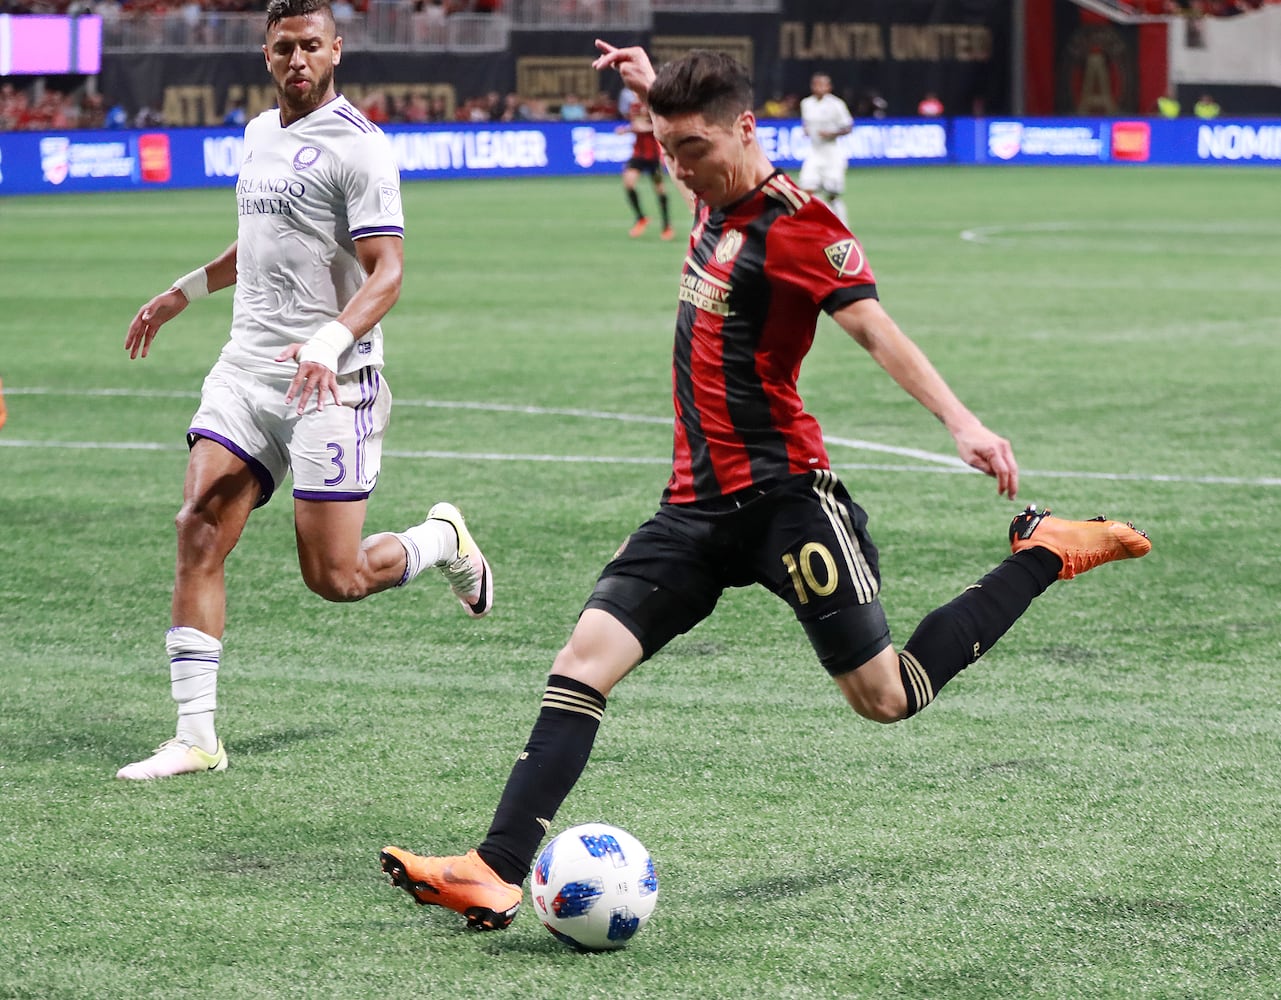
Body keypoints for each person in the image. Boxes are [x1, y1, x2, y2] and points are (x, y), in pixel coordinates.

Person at [379, 42, 1151, 932]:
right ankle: (494, 867)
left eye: (696, 150)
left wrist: (962, 423)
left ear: (746, 130)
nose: (682, 169)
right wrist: (647, 87)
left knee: (885, 695)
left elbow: (874, 329)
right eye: (669, 150)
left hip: (787, 500)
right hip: (693, 506)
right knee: (579, 666)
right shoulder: (707, 186)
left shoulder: (800, 227)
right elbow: (682, 133)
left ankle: (1044, 551)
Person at [116, 0, 494, 781]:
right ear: (265, 53)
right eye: (284, 47)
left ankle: (443, 541)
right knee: (196, 527)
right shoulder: (258, 135)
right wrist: (185, 290)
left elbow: (387, 272)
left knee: (336, 578)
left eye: (311, 46)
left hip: (334, 382)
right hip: (245, 371)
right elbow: (258, 242)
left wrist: (327, 341)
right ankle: (196, 738)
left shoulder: (360, 149)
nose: (298, 60)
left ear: (336, 50)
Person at [799, 72, 853, 226]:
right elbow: (806, 123)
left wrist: (832, 133)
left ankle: (842, 225)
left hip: (831, 152)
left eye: (822, 84)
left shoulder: (836, 104)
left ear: (829, 87)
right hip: (814, 152)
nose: (819, 88)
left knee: (832, 193)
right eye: (816, 84)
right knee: (807, 189)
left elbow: (848, 127)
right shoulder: (806, 104)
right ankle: (821, 222)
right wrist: (806, 130)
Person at [616, 99, 673, 240]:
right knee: (628, 183)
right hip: (638, 154)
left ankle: (666, 226)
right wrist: (627, 129)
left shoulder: (656, 105)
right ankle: (641, 218)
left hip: (653, 156)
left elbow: (662, 126)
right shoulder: (634, 106)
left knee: (660, 190)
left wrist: (644, 127)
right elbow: (636, 125)